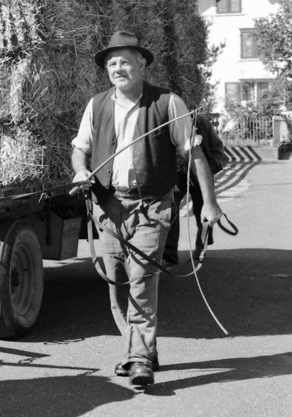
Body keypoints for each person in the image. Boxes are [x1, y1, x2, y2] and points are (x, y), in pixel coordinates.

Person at [70, 31, 222, 387]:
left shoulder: (168, 104)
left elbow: (194, 154)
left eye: (125, 61)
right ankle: (140, 349)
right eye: (112, 63)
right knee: (117, 284)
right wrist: (80, 170)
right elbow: (81, 148)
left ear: (142, 64)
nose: (118, 68)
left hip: (152, 206)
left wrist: (209, 204)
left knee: (141, 280)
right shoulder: (97, 105)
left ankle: (139, 359)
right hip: (108, 207)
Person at [163, 113, 226, 264]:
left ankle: (202, 246)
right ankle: (169, 252)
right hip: (175, 173)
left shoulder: (201, 121)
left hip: (199, 172)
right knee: (171, 209)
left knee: (202, 208)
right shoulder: (167, 119)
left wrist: (210, 167)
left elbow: (217, 147)